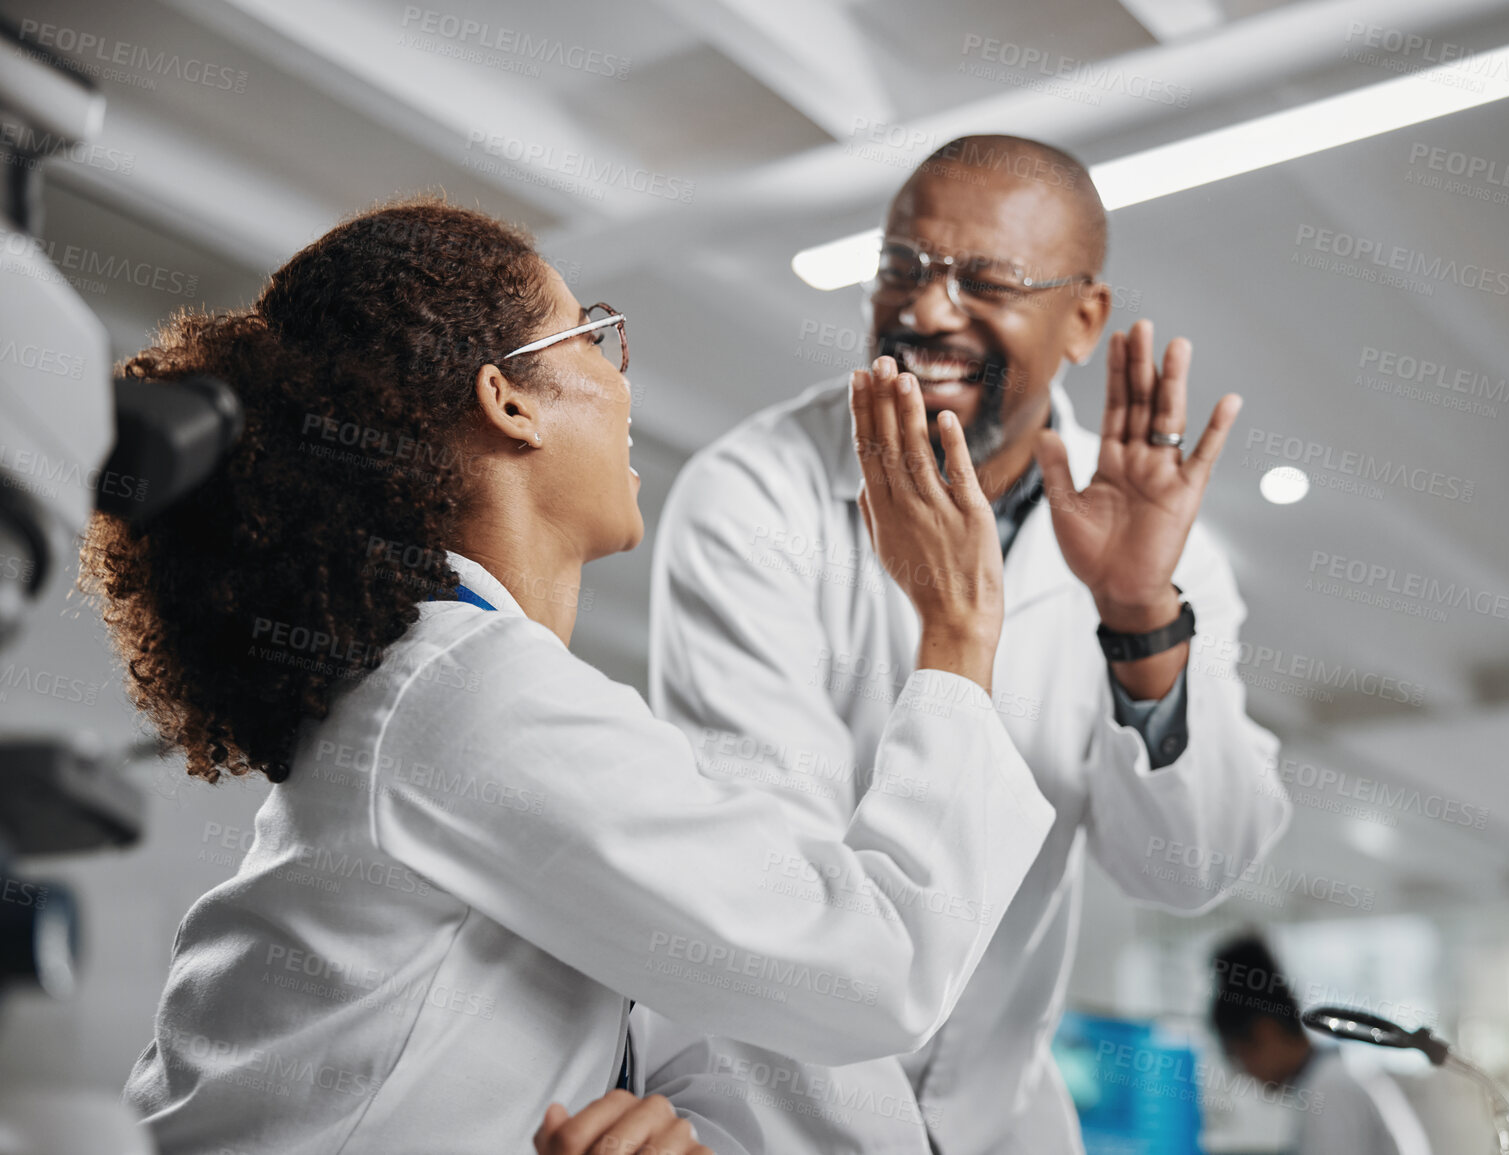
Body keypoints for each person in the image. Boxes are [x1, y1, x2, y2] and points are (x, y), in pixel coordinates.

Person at [91, 196, 1058, 1155]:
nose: (625, 385)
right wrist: (960, 628)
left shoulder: (455, 690)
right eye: (595, 338)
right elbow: (876, 968)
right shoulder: (467, 691)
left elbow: (744, 1021)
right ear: (507, 400)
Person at [628, 134, 1291, 1155]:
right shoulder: (753, 490)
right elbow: (776, 885)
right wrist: (957, 636)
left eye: (986, 281)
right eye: (902, 267)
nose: (928, 311)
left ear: (1084, 319)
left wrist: (1137, 618)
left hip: (1001, 1118)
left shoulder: (1162, 553)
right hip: (782, 1118)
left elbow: (1188, 867)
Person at [1211, 935, 1431, 1155]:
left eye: (1240, 1057)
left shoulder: (1329, 1089)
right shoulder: (1334, 1073)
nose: (1246, 1073)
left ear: (1266, 1032)